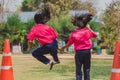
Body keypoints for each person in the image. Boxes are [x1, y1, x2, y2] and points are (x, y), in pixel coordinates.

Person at [59, 13, 98, 80]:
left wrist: (62, 48)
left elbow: (69, 44)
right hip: (87, 52)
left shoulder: (74, 33)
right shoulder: (87, 31)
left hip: (79, 53)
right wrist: (89, 28)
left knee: (78, 70)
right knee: (87, 69)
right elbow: (95, 35)